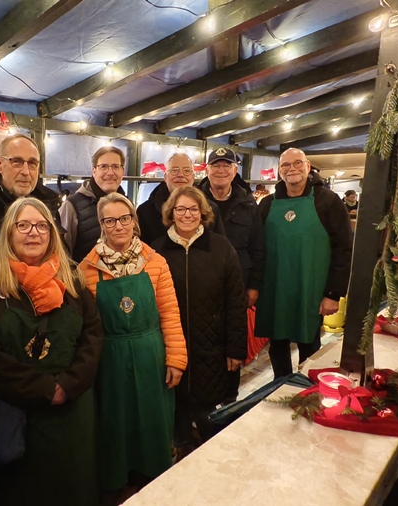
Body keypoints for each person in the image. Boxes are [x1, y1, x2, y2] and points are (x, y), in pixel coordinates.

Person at [0, 197, 103, 506]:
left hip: (72, 415)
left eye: (41, 225)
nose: (33, 233)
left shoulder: (72, 278)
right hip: (13, 414)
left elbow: (93, 335)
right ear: (9, 231)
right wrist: (45, 389)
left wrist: (69, 385)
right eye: (23, 225)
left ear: (51, 233)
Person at [78, 192, 187, 496]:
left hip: (151, 353)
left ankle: (153, 476)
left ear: (134, 221)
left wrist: (176, 359)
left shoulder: (155, 262)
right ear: (101, 224)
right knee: (114, 420)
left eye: (124, 218)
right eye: (109, 220)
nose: (118, 226)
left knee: (153, 417)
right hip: (109, 358)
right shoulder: (87, 269)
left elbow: (169, 312)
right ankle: (117, 480)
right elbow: (87, 325)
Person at [151, 186, 246, 459]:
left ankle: (211, 455)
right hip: (172, 344)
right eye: (180, 209)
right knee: (177, 405)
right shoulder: (157, 250)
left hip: (212, 344)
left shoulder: (221, 247)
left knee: (208, 411)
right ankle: (180, 448)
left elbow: (235, 301)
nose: (187, 215)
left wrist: (235, 348)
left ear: (203, 213)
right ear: (171, 213)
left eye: (193, 209)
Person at [256, 148, 353, 378]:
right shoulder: (267, 204)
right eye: (286, 165)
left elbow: (343, 249)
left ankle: (308, 392)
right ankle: (279, 387)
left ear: (308, 166)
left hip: (311, 289)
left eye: (297, 163)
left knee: (309, 345)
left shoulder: (328, 201)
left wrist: (333, 293)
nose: (292, 169)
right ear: (279, 171)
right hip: (275, 289)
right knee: (277, 344)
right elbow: (257, 249)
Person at [0, 133, 62, 251]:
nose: (26, 172)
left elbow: (61, 253)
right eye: (16, 162)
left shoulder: (49, 204)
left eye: (32, 163)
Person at [197, 147, 265, 308]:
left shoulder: (248, 204)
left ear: (235, 171)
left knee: (235, 329)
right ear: (207, 170)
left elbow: (258, 248)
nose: (221, 170)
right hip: (201, 281)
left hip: (239, 282)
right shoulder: (195, 202)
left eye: (227, 165)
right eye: (215, 166)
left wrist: (254, 286)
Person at [137, 152, 225, 244]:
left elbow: (220, 247)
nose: (180, 175)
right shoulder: (145, 212)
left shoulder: (210, 209)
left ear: (193, 177)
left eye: (186, 171)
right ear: (165, 177)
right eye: (174, 170)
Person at [60, 146, 127, 261]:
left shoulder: (127, 205)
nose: (110, 173)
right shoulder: (71, 206)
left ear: (122, 171)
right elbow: (62, 253)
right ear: (94, 171)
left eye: (116, 166)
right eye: (103, 167)